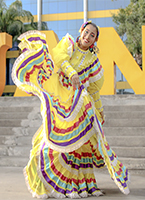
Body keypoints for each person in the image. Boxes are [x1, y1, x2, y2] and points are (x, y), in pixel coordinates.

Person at [12, 21, 129, 199]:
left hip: (80, 104)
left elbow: (93, 90)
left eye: (92, 35)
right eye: (87, 32)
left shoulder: (93, 61)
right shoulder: (69, 44)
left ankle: (80, 186)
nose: (88, 37)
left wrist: (99, 110)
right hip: (62, 97)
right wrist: (72, 73)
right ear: (81, 31)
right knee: (51, 142)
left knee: (80, 145)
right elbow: (60, 58)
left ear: (95, 40)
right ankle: (46, 180)